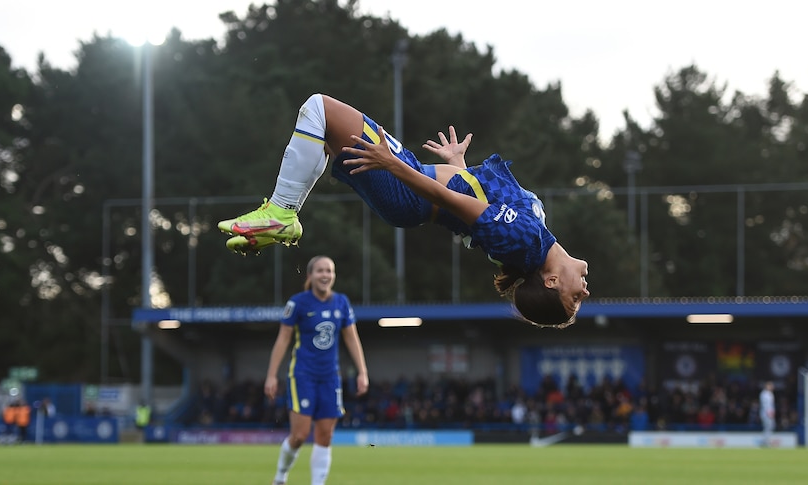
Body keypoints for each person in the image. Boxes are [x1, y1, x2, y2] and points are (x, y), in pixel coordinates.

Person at [218, 94, 590, 328]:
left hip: (409, 188)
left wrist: (393, 165)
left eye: (574, 299)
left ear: (552, 282)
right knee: (328, 134)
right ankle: (283, 214)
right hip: (412, 186)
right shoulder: (534, 240)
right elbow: (473, 202)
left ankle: (282, 213)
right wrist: (459, 166)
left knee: (319, 109)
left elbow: (451, 202)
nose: (584, 294)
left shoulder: (524, 242)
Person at [264, 255, 369, 485]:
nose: (325, 275)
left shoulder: (341, 302)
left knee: (325, 435)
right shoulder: (298, 303)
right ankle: (281, 477)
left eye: (329, 271)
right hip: (302, 374)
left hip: (330, 377)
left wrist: (362, 371)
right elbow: (283, 340)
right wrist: (271, 375)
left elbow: (352, 339)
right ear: (310, 276)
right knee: (300, 435)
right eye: (320, 271)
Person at [759, 381, 775, 447]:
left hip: (769, 413)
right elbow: (766, 405)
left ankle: (767, 441)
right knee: (767, 427)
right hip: (766, 413)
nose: (772, 387)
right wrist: (769, 413)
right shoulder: (764, 394)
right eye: (770, 385)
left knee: (770, 427)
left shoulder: (770, 394)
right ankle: (766, 442)